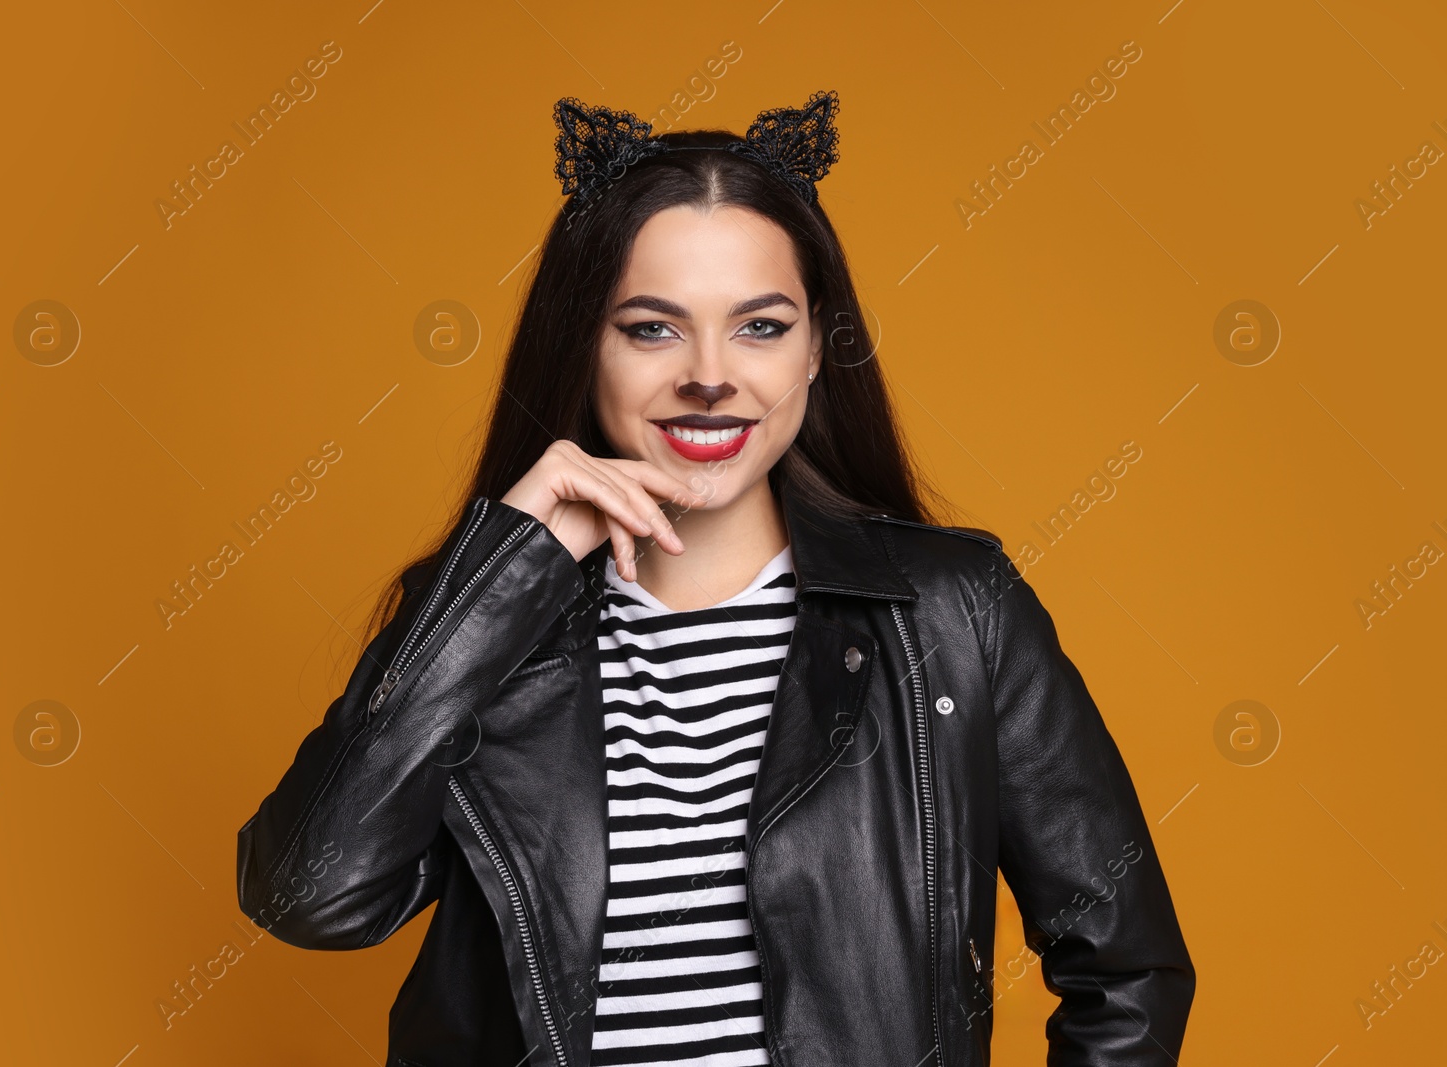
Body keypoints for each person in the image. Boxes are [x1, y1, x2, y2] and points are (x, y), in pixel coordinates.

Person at [235, 90, 1195, 1067]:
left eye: (759, 327)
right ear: (585, 345)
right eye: (652, 328)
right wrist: (498, 578)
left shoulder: (955, 613)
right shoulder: (485, 618)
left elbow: (1125, 967)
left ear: (817, 347)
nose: (707, 373)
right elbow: (308, 894)